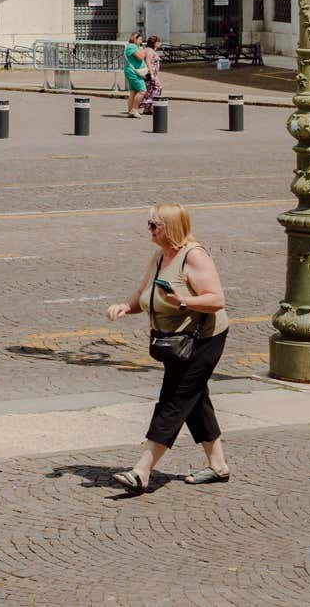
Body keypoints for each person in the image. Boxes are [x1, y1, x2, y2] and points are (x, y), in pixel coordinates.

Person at [103, 203, 232, 492]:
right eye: (149, 224)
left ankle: (142, 471)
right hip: (175, 341)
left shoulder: (194, 257)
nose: (149, 229)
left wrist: (182, 301)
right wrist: (125, 306)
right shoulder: (160, 256)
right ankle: (218, 466)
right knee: (194, 400)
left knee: (174, 400)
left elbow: (216, 299)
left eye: (154, 225)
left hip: (203, 340)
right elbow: (142, 294)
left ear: (170, 228)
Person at [122, 34, 150, 116]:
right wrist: (142, 50)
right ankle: (134, 109)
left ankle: (130, 111)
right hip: (133, 72)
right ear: (135, 39)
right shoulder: (132, 47)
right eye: (140, 39)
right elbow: (140, 57)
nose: (141, 41)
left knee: (133, 92)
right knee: (142, 91)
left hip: (132, 71)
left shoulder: (132, 46)